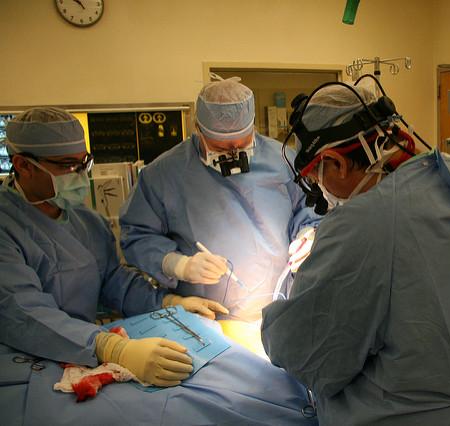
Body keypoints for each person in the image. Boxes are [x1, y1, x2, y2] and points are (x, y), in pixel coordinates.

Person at [261, 81, 450, 425]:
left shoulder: (360, 226)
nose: (322, 191)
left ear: (336, 162)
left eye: (318, 178)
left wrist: (276, 316)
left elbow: (306, 352)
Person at [0, 107, 228, 387]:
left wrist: (168, 303)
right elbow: (22, 311)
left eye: (84, 163)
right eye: (67, 166)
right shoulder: (6, 225)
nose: (80, 175)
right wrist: (113, 349)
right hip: (22, 361)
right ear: (23, 165)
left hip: (83, 351)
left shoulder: (87, 221)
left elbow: (112, 281)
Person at [119, 75, 320, 323]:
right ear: (198, 130)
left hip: (280, 307)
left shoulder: (283, 160)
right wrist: (178, 264)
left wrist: (308, 234)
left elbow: (309, 208)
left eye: (242, 144)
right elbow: (137, 234)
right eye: (222, 148)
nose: (233, 155)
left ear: (253, 127)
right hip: (207, 316)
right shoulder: (163, 174)